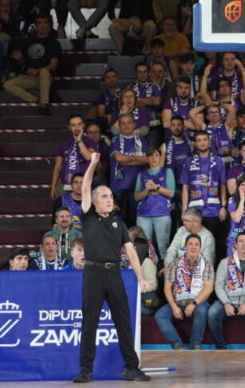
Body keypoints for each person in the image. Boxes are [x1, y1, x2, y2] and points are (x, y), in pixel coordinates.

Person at [72, 152, 149, 383]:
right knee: (90, 323)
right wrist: (93, 164)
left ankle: (131, 368)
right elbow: (85, 187)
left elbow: (131, 251)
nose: (109, 199)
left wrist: (141, 277)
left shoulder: (119, 222)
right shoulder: (88, 216)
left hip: (114, 273)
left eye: (110, 196)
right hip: (93, 273)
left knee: (123, 322)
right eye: (104, 196)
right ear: (94, 201)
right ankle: (86, 369)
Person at [207, 232, 245, 349]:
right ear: (235, 245)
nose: (244, 244)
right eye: (241, 241)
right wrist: (226, 302)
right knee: (212, 312)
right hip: (228, 299)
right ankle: (220, 344)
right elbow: (218, 286)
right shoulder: (224, 263)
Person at [156, 233, 213, 349]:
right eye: (190, 244)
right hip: (178, 302)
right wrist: (173, 307)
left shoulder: (206, 264)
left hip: (198, 303)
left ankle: (196, 344)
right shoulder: (174, 264)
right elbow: (167, 288)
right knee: (160, 315)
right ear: (185, 247)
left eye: (196, 245)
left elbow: (208, 288)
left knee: (201, 310)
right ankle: (177, 344)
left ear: (200, 248)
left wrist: (193, 304)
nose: (193, 247)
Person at [4, 15, 61, 115]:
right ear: (35, 25)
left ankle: (44, 104)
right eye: (39, 23)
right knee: (8, 84)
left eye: (45, 22)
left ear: (50, 25)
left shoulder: (54, 43)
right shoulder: (27, 41)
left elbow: (53, 65)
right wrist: (19, 59)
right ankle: (36, 100)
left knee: (44, 72)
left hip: (45, 78)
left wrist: (37, 71)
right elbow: (23, 62)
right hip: (29, 77)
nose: (43, 26)